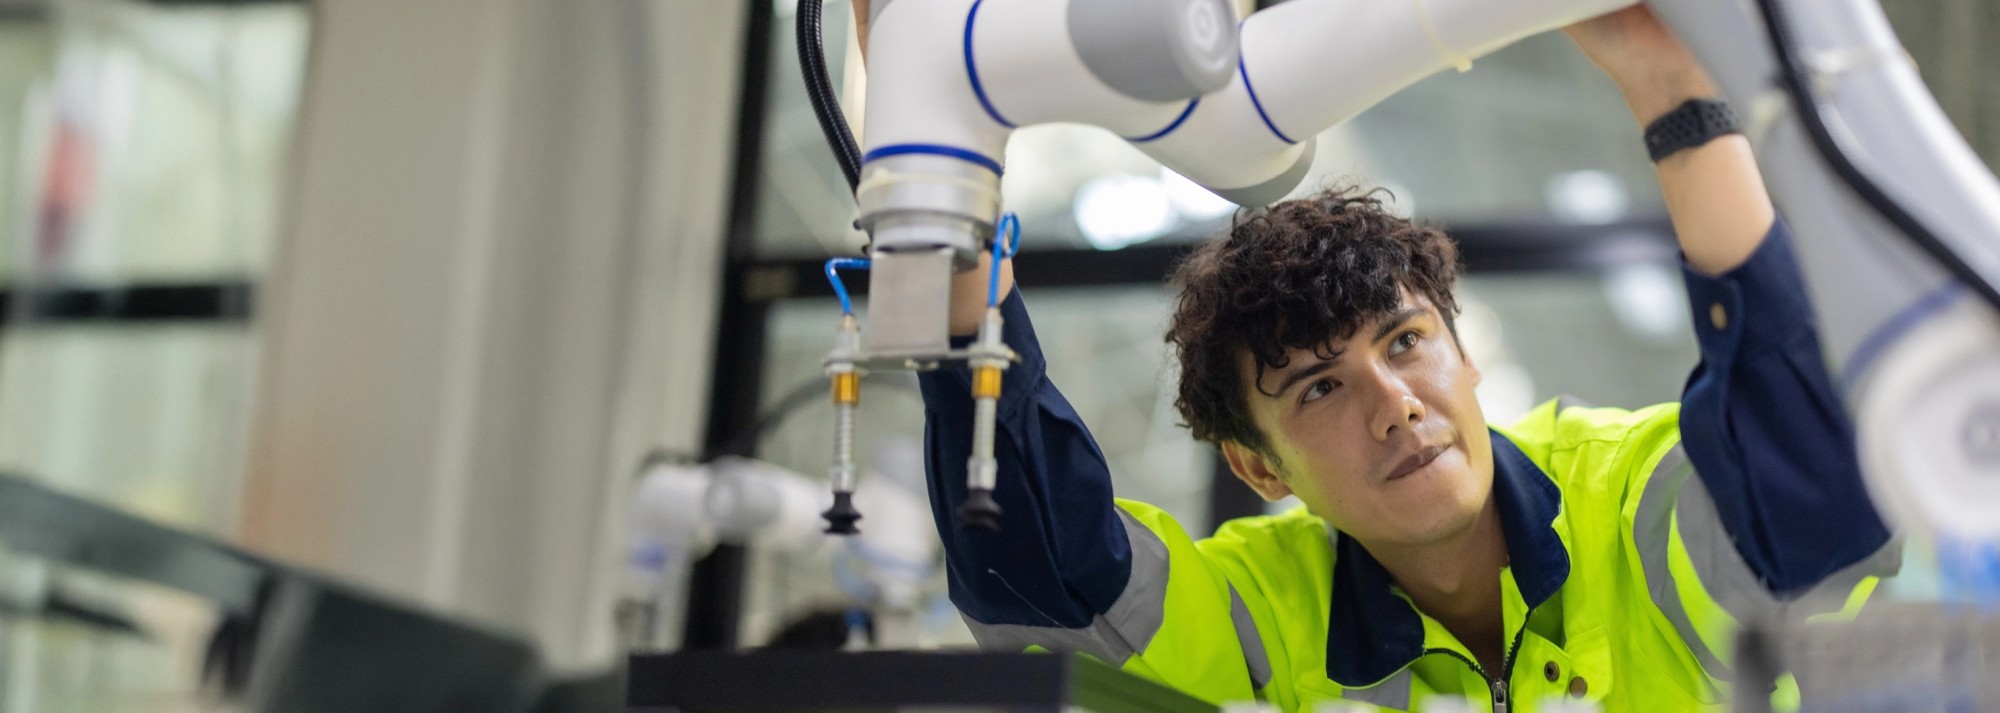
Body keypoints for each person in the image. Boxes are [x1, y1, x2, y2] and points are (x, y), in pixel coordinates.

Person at [891, 5, 1897, 711]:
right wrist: (933, 180)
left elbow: (1805, 497)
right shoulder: (1256, 618)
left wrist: (1670, 88)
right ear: (1257, 467)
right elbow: (1050, 586)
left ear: (1461, 352)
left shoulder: (1627, 504)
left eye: (1406, 342)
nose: (1395, 405)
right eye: (1319, 387)